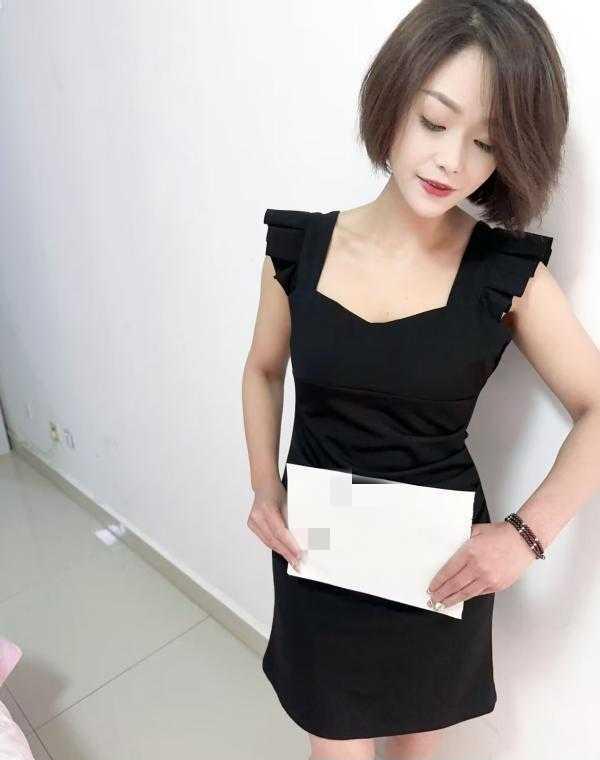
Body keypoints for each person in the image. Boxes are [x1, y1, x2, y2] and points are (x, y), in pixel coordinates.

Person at [242, 1, 600, 758]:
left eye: (486, 143)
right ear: (394, 98)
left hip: (435, 565)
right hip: (320, 550)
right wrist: (264, 487)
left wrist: (526, 538)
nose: (452, 163)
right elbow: (263, 369)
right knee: (332, 741)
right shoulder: (298, 250)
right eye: (435, 122)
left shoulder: (504, 273)